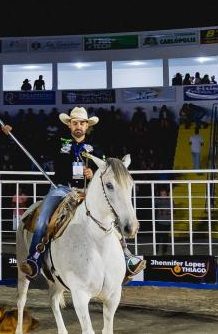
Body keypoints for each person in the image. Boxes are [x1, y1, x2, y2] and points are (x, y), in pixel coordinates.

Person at [17, 107, 145, 282]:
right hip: (61, 189)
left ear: (87, 126)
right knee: (44, 217)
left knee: (109, 216)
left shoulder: (97, 147)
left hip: (87, 191)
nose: (78, 126)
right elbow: (36, 145)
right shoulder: (58, 142)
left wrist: (92, 172)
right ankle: (34, 260)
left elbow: (105, 170)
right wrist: (13, 132)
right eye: (75, 122)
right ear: (69, 125)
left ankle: (126, 255)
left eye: (82, 123)